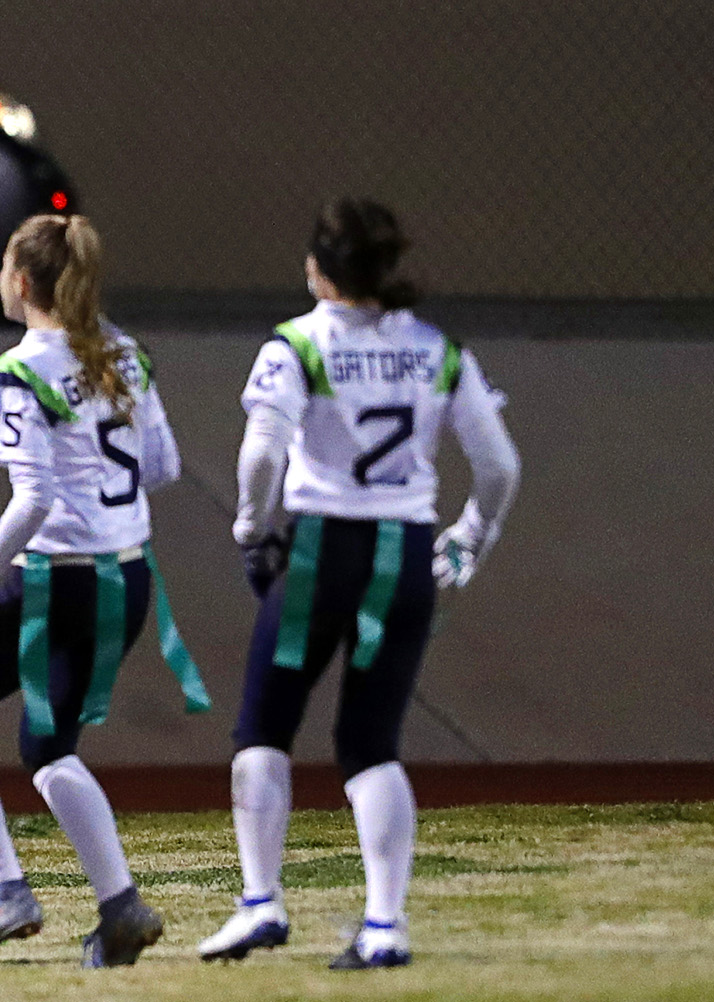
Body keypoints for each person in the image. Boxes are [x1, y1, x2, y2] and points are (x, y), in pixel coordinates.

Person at [197, 199, 520, 970]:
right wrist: (472, 536)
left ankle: (261, 905)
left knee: (262, 730)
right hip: (403, 553)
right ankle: (384, 924)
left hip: (321, 551)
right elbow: (501, 466)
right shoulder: (439, 351)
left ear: (317, 268)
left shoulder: (298, 343)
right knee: (372, 744)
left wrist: (249, 525)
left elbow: (262, 454)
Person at [0, 214, 210, 969]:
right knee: (50, 750)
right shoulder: (123, 353)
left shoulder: (23, 368)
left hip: (59, 581)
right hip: (128, 574)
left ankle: (6, 891)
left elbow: (35, 497)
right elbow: (163, 466)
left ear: (21, 281)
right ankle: (119, 907)